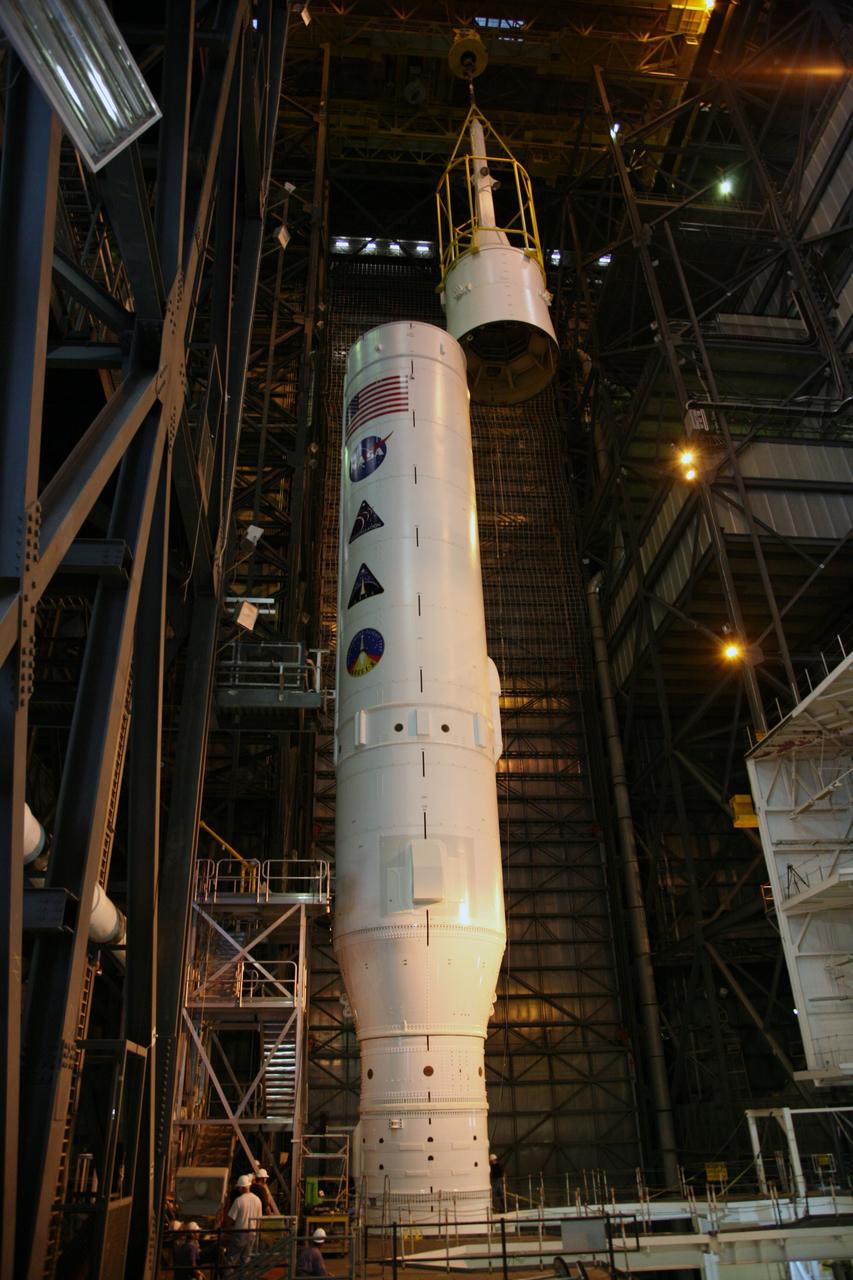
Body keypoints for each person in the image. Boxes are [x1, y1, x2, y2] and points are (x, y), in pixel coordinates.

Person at [224, 1173, 263, 1267]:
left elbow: (230, 1219)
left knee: (231, 1260)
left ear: (241, 1188)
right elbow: (260, 1220)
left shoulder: (239, 1200)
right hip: (252, 1234)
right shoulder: (257, 1200)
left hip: (240, 1233)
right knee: (245, 1261)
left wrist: (227, 1230)